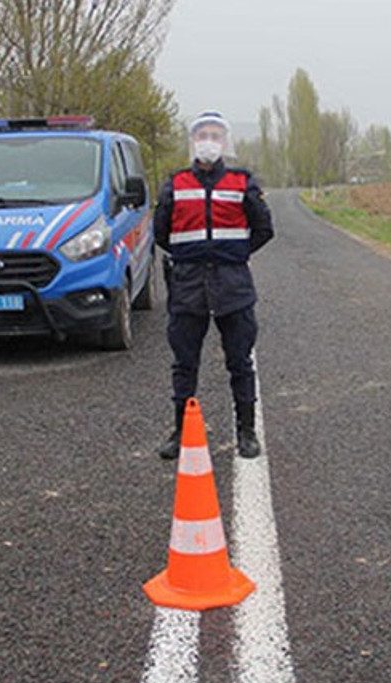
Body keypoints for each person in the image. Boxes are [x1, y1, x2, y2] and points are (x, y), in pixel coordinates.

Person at [154, 110, 275, 460]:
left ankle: (246, 432)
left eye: (215, 135)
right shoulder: (175, 184)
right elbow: (162, 233)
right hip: (188, 285)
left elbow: (264, 229)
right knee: (184, 363)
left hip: (232, 285)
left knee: (240, 361)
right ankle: (181, 431)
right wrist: (190, 256)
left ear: (225, 142)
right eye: (202, 134)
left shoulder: (242, 181)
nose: (208, 141)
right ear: (192, 141)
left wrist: (235, 254)